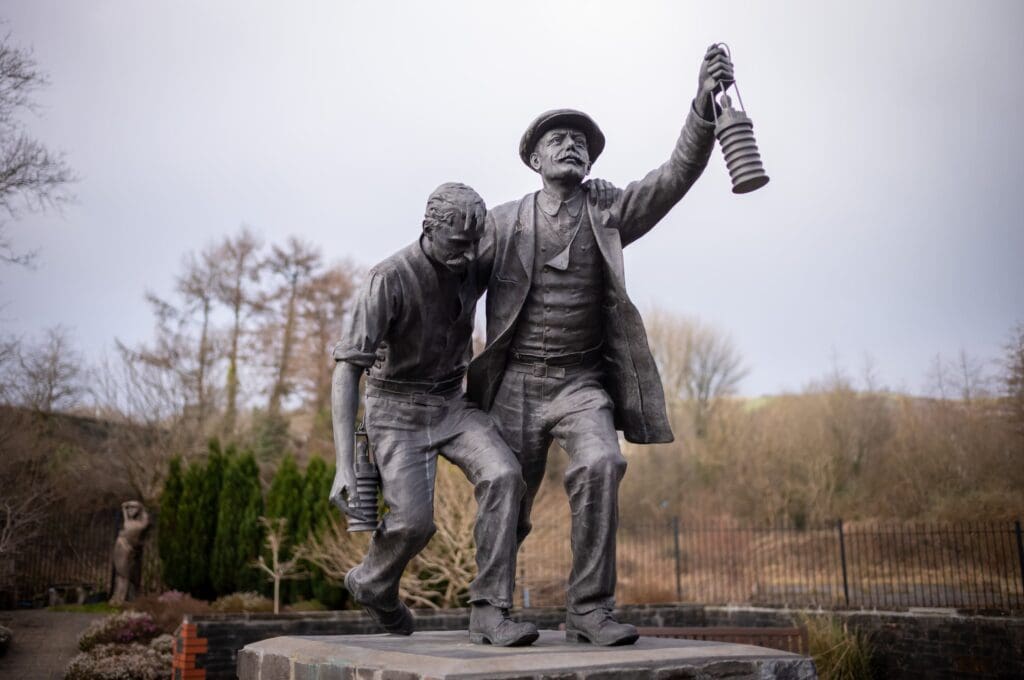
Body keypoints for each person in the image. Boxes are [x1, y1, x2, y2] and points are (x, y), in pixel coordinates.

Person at [467, 45, 735, 646]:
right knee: (504, 488)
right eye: (557, 138)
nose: (571, 144)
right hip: (515, 384)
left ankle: (588, 609)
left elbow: (673, 177)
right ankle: (489, 607)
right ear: (534, 157)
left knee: (603, 462)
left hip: (580, 383)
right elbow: (451, 284)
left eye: (580, 140)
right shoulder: (504, 222)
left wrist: (702, 107)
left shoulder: (609, 211)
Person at [328, 182, 539, 646]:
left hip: (451, 404)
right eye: (458, 246)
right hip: (394, 410)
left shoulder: (470, 254)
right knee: (414, 524)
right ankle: (372, 584)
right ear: (430, 229)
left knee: (505, 475)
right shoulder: (388, 278)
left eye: (474, 244)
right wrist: (344, 466)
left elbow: (519, 224)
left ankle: (490, 611)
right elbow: (346, 371)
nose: (468, 257)